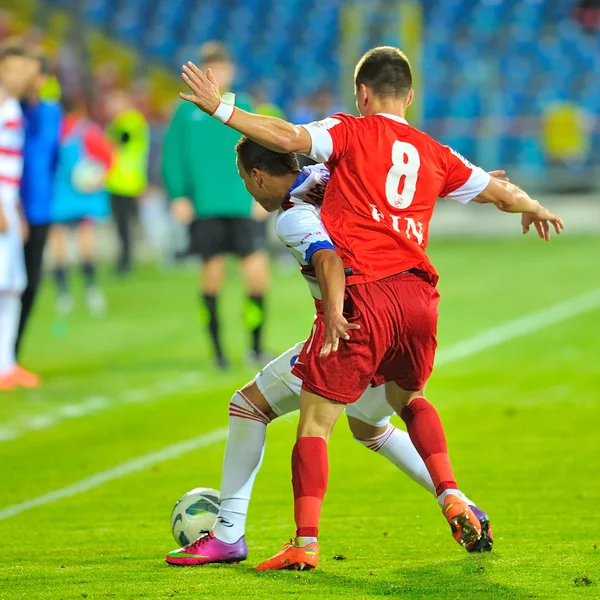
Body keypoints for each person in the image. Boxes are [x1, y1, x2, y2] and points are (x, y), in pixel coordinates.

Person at [179, 45, 564, 571]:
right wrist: (534, 205)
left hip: (359, 310)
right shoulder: (429, 151)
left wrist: (221, 109)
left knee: (264, 410)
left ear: (362, 94)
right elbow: (497, 191)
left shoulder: (341, 145)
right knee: (382, 418)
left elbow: (294, 151)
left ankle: (248, 535)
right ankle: (454, 495)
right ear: (411, 94)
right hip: (420, 300)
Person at [165, 139, 492, 566]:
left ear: (259, 175)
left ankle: (230, 533)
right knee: (371, 426)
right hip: (400, 314)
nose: (248, 190)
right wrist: (481, 187)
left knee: (248, 407)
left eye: (246, 180)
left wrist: (335, 316)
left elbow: (329, 260)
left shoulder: (292, 218)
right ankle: (460, 501)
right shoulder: (334, 176)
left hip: (352, 328)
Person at [162, 42, 269, 369]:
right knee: (212, 276)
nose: (216, 74)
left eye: (220, 68)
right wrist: (178, 194)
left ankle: (255, 347)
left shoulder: (243, 104)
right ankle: (218, 351)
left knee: (257, 276)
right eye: (210, 68)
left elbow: (261, 148)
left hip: (241, 203)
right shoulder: (185, 111)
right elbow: (172, 156)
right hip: (205, 206)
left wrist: (262, 193)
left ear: (229, 71)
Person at [50, 97, 113, 315]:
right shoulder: (85, 130)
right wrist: (99, 178)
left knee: (61, 247)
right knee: (82, 246)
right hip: (67, 195)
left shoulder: (66, 131)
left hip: (69, 196)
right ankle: (87, 292)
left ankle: (67, 295)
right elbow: (108, 158)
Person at [16, 53, 61, 361]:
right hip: (10, 210)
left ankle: (11, 354)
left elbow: (51, 158)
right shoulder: (10, 109)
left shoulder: (51, 112)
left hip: (40, 209)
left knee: (30, 284)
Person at [0, 45, 38, 390]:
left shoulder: (12, 103)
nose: (20, 76)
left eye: (25, 69)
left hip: (9, 202)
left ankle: (6, 366)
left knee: (11, 285)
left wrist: (15, 210)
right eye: (13, 68)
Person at [105, 89, 150, 275]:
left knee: (125, 224)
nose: (110, 107)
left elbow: (121, 140)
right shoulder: (119, 123)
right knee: (121, 224)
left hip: (127, 182)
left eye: (114, 102)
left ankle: (126, 262)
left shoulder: (131, 120)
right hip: (116, 181)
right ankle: (124, 259)